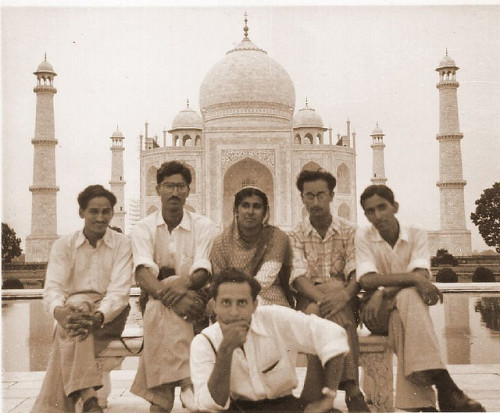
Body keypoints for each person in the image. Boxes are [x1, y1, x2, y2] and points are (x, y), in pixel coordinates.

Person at [356, 184, 485, 412]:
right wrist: (412, 280)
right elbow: (367, 281)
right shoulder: (364, 235)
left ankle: (423, 405)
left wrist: (385, 290)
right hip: (375, 313)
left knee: (405, 308)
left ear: (395, 207)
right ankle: (446, 386)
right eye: (370, 211)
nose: (377, 216)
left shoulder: (415, 232)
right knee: (409, 296)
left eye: (382, 207)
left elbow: (422, 274)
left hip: (399, 310)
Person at [190, 267, 350, 412]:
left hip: (283, 405)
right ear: (214, 305)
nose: (234, 312)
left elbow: (333, 334)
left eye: (242, 303)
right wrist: (226, 349)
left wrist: (329, 396)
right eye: (226, 303)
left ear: (254, 305)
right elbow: (210, 404)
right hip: (236, 408)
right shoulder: (204, 342)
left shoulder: (275, 319)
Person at [32, 185, 133, 413]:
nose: (100, 218)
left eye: (105, 212)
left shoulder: (122, 244)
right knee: (77, 307)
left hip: (109, 316)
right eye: (93, 211)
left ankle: (80, 398)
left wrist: (97, 316)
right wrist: (60, 312)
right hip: (73, 314)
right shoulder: (64, 245)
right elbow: (53, 289)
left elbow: (119, 293)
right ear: (81, 213)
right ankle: (89, 399)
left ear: (112, 213)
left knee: (75, 317)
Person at [130, 161, 217, 413]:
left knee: (159, 308)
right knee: (161, 303)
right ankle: (187, 382)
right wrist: (173, 295)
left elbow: (202, 270)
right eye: (169, 186)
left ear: (189, 190)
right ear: (158, 188)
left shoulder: (203, 225)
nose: (175, 192)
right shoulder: (144, 227)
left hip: (193, 298)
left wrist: (183, 284)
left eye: (180, 186)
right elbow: (143, 272)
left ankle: (160, 399)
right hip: (163, 300)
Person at [289, 169, 369, 412]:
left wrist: (342, 295)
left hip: (343, 300)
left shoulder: (350, 230)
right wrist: (329, 297)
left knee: (321, 317)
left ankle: (316, 396)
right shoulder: (295, 234)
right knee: (329, 316)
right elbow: (299, 277)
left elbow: (357, 273)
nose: (315, 202)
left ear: (332, 196)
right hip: (315, 299)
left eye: (320, 195)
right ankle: (352, 389)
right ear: (301, 198)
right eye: (309, 196)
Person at [210, 186, 294, 307]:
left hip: (271, 300)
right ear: (236, 210)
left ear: (265, 211)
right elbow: (218, 281)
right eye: (245, 206)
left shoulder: (276, 236)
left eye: (257, 206)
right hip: (233, 301)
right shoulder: (221, 242)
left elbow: (265, 279)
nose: (250, 212)